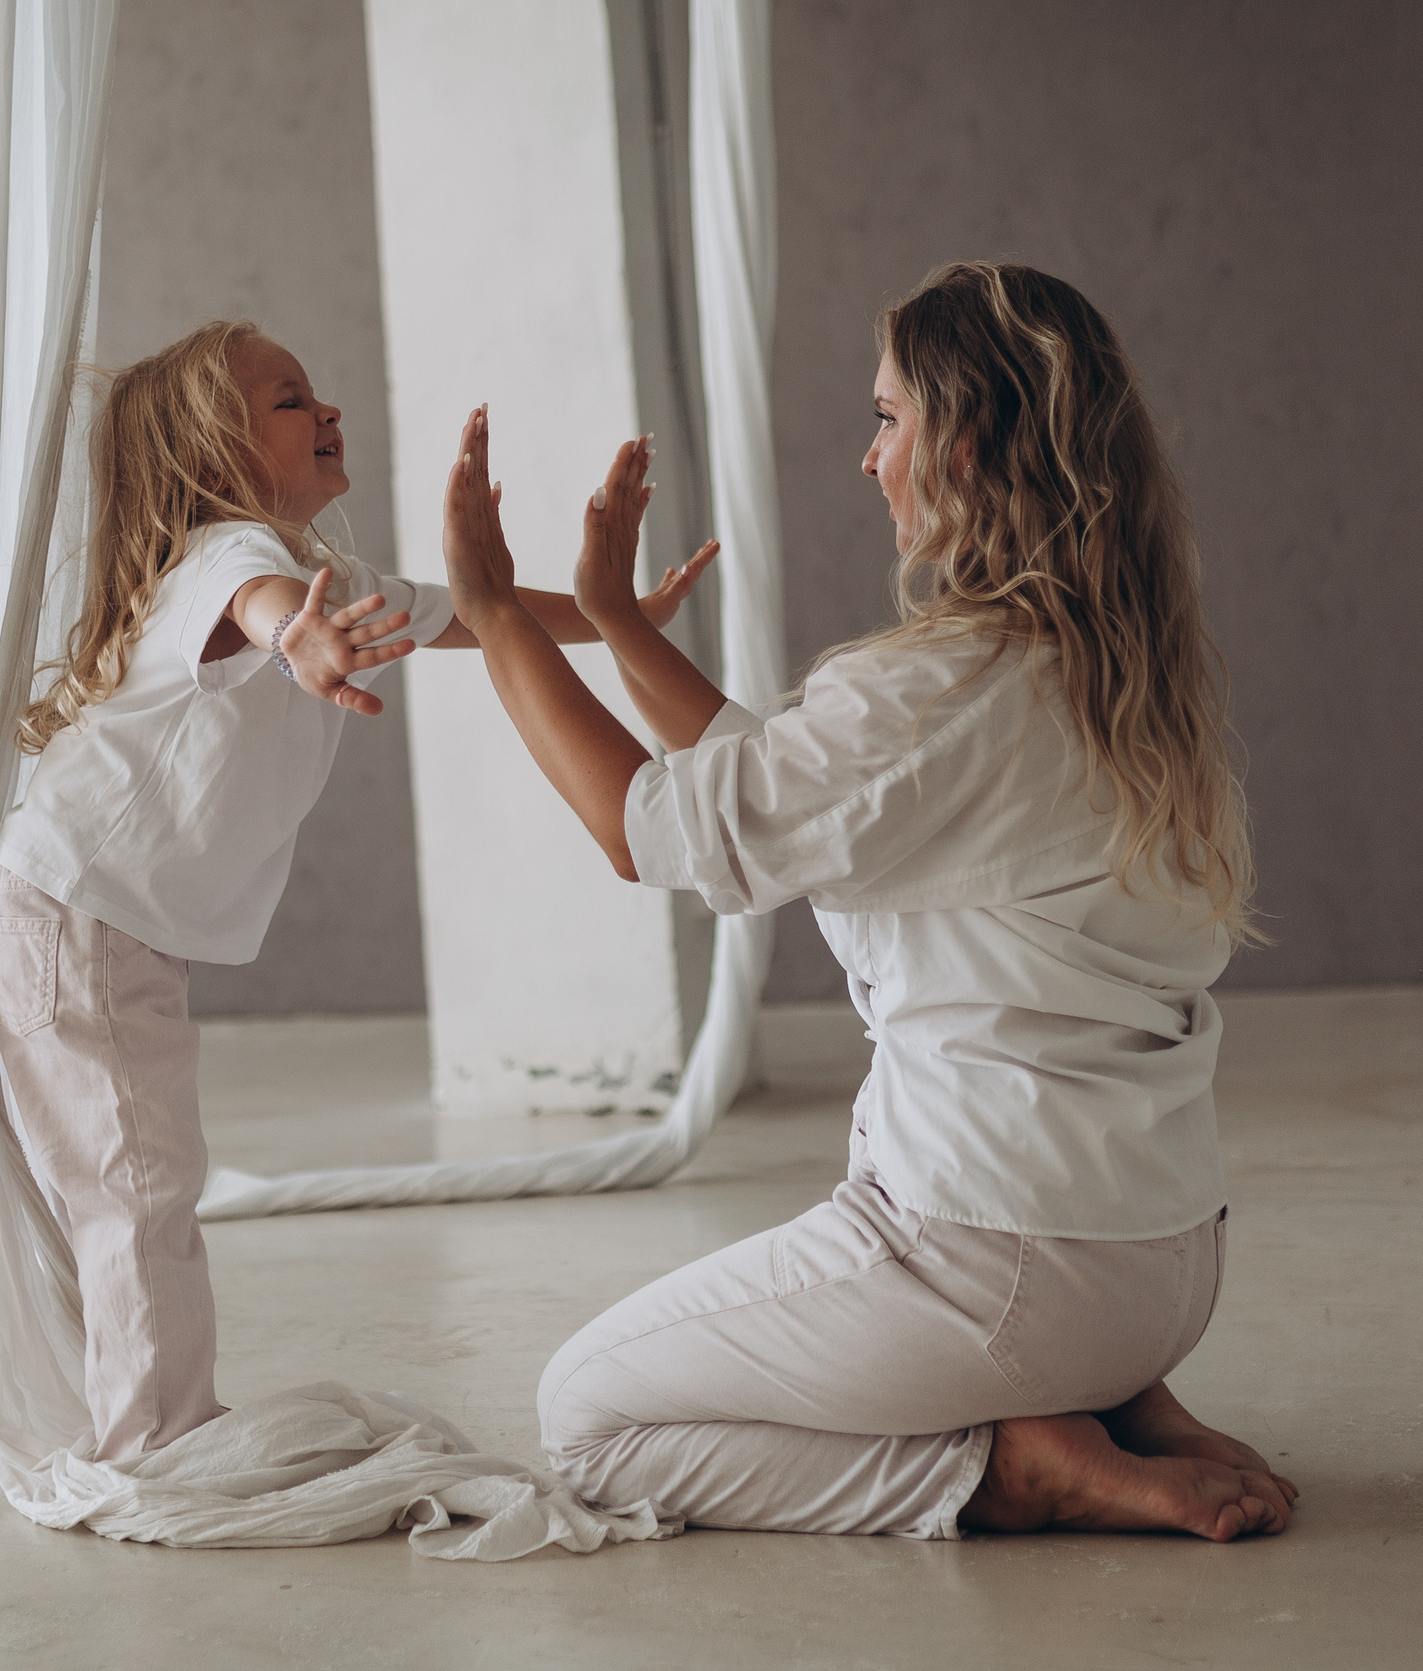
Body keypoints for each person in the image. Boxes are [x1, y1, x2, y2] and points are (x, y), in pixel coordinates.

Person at [439, 262, 1296, 1541]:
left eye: (888, 418)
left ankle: (1009, 1472)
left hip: (1004, 1267)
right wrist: (616, 624)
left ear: (967, 445)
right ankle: (1113, 1406)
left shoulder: (943, 692)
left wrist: (492, 613)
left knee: (588, 1418)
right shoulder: (1120, 678)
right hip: (1163, 1268)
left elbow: (646, 830)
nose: (868, 457)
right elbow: (787, 789)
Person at [0, 319, 714, 1462]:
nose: (325, 411)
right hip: (70, 918)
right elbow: (263, 606)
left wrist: (624, 619)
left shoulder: (326, 576)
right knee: (135, 1184)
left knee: (131, 1180)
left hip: (86, 919)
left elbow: (476, 612)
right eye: (289, 401)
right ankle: (153, 1442)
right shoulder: (226, 557)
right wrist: (303, 641)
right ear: (212, 453)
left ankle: (150, 1419)